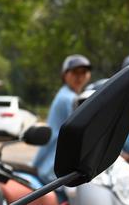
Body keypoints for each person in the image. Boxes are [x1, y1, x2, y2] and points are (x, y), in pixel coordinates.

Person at [33, 54, 91, 184]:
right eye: (75, 72)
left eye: (84, 72)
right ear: (65, 75)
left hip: (49, 160)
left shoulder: (66, 94)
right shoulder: (70, 99)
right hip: (55, 166)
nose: (79, 76)